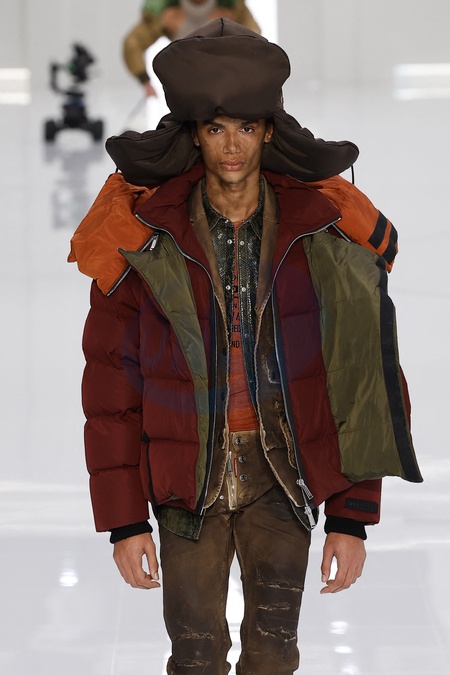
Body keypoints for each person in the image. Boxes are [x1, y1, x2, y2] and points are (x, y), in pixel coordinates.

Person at [69, 19, 422, 675]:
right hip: (184, 483)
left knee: (274, 654)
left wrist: (351, 518)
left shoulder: (323, 236)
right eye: (214, 128)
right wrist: (124, 522)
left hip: (281, 475)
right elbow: (109, 388)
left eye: (247, 127)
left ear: (269, 131)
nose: (231, 145)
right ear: (192, 134)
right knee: (195, 656)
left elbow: (365, 381)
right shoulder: (140, 240)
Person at [123, 0, 260, 96]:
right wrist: (145, 81)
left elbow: (255, 38)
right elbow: (133, 43)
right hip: (187, 81)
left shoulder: (232, 6)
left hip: (225, 79)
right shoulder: (163, 9)